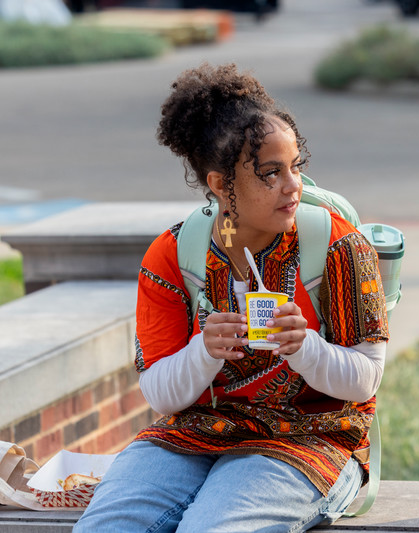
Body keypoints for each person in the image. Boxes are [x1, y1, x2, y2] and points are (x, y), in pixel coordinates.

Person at [75, 63, 389, 532]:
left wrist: (305, 347)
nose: (293, 186)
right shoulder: (175, 254)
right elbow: (159, 392)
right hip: (192, 434)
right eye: (270, 173)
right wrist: (204, 349)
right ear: (221, 184)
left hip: (309, 439)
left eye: (295, 166)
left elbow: (366, 380)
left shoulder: (337, 245)